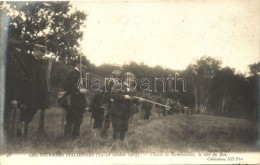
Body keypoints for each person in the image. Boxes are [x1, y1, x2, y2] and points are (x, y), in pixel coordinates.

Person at [5, 36, 49, 139]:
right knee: (24, 116)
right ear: (35, 51)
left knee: (28, 117)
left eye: (44, 52)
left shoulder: (38, 64)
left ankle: (22, 136)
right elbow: (22, 80)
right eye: (41, 52)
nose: (43, 54)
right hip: (27, 96)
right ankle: (21, 137)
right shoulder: (28, 62)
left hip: (35, 97)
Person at [109, 72, 141, 141]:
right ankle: (114, 145)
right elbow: (112, 94)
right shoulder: (118, 85)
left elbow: (136, 100)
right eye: (132, 78)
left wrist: (140, 100)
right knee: (117, 128)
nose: (133, 80)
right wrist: (123, 96)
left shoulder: (133, 89)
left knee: (124, 128)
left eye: (133, 79)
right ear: (127, 78)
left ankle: (121, 143)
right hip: (117, 111)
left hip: (126, 113)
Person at [63, 58, 88, 140]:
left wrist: (84, 90)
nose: (84, 66)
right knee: (70, 120)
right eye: (83, 64)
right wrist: (79, 90)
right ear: (77, 64)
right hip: (72, 101)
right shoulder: (71, 74)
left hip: (80, 102)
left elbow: (83, 87)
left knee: (78, 120)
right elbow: (67, 87)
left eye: (85, 65)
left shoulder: (82, 75)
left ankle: (75, 138)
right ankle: (67, 138)